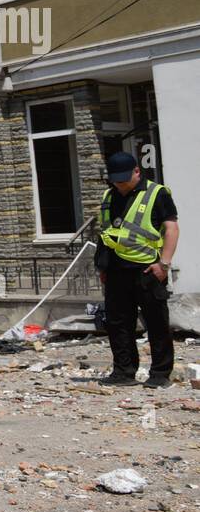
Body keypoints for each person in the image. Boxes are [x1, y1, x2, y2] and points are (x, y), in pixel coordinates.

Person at [95, 151, 179, 389]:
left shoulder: (156, 193)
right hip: (115, 270)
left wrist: (164, 263)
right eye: (115, 179)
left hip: (147, 269)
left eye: (124, 178)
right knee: (118, 323)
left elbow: (171, 228)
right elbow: (107, 233)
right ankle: (124, 371)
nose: (120, 184)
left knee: (156, 323)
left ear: (137, 171)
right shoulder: (109, 196)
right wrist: (102, 266)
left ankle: (160, 374)